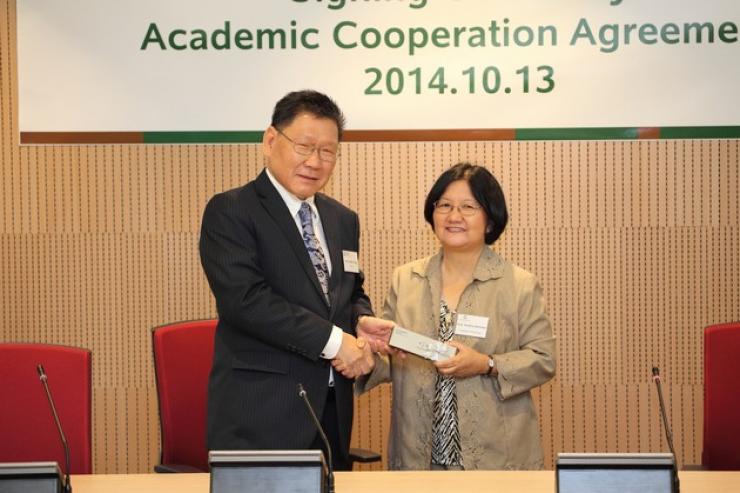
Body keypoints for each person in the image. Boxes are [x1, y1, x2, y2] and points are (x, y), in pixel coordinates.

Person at [199, 90, 393, 470]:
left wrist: (360, 320)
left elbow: (349, 290)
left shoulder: (342, 219)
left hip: (331, 413)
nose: (315, 161)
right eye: (305, 146)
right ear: (271, 141)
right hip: (262, 414)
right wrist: (336, 341)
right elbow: (246, 301)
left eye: (328, 151)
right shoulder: (232, 211)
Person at [355, 162, 556, 470]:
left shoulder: (518, 284)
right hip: (419, 455)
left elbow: (543, 360)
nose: (454, 216)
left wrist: (487, 364)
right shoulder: (406, 278)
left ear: (490, 220)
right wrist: (367, 354)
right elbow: (390, 359)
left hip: (495, 457)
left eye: (468, 207)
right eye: (445, 205)